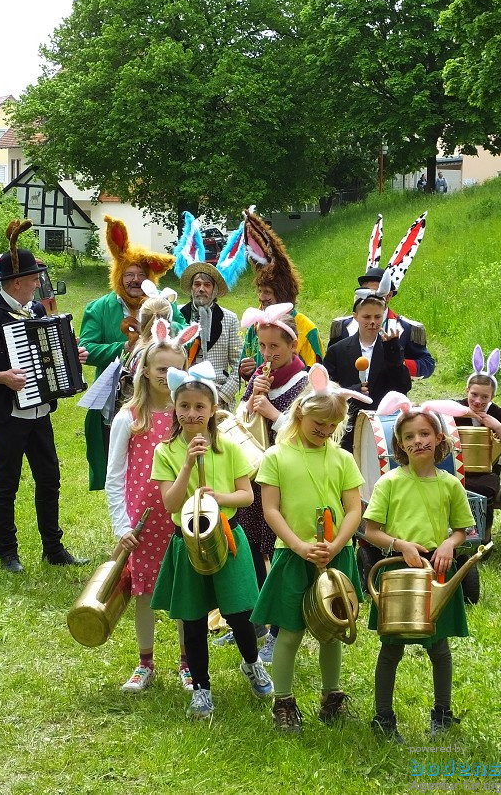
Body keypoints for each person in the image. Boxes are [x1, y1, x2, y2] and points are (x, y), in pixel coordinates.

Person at [0, 220, 89, 573]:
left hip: (39, 411)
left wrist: (71, 355)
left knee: (49, 478)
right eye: (33, 279)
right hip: (7, 414)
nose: (37, 283)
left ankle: (53, 547)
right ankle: (7, 552)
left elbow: (47, 354)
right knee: (6, 482)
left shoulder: (37, 311)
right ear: (16, 283)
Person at [150, 362, 274, 719]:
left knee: (239, 611)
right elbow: (171, 503)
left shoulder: (229, 448)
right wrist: (187, 465)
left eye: (200, 407)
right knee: (192, 618)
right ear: (175, 408)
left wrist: (219, 497)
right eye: (184, 406)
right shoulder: (167, 452)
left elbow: (247, 497)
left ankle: (252, 663)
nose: (192, 413)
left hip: (227, 536)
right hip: (186, 541)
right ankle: (202, 688)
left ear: (212, 410)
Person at [252, 364, 369, 732]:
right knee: (289, 631)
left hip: (335, 557)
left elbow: (354, 509)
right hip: (294, 556)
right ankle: (283, 702)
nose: (325, 431)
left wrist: (335, 545)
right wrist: (300, 546)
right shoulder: (276, 456)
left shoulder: (342, 458)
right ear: (300, 412)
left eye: (332, 427)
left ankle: (331, 697)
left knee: (332, 629)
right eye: (319, 423)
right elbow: (270, 509)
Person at [362, 393, 475, 743]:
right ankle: (383, 717)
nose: (418, 441)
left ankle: (442, 712)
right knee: (392, 648)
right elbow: (371, 530)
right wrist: (400, 545)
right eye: (409, 437)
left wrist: (448, 543)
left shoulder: (450, 485)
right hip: (397, 571)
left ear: (438, 438)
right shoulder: (389, 483)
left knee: (439, 648)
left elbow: (463, 530)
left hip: (436, 572)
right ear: (400, 444)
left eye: (424, 433)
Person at [105, 321, 199, 693]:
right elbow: (115, 477)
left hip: (181, 519)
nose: (167, 376)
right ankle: (145, 663)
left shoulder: (187, 418)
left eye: (176, 369)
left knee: (183, 590)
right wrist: (121, 525)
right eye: (161, 368)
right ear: (144, 369)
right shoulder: (129, 418)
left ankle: (187, 663)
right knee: (143, 591)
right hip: (142, 523)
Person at [215, 304, 309, 659]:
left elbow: (308, 433)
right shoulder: (259, 377)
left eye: (275, 347)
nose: (267, 354)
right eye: (263, 347)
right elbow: (242, 419)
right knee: (252, 549)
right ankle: (252, 623)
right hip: (255, 476)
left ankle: (278, 631)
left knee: (278, 554)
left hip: (285, 480)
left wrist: (273, 412)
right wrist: (251, 404)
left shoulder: (304, 380)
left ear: (293, 346)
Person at [79, 216, 180, 491]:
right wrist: (124, 347)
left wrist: (159, 330)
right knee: (117, 461)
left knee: (157, 458)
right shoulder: (98, 308)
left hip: (160, 397)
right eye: (129, 275)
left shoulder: (163, 304)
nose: (135, 280)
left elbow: (182, 331)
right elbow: (86, 348)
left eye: (141, 275)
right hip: (115, 400)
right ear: (118, 276)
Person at [236, 214, 324, 381]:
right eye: (260, 291)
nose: (261, 298)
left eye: (267, 292)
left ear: (282, 293)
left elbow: (316, 375)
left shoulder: (306, 329)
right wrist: (246, 371)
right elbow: (246, 365)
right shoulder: (256, 325)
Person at [322, 290, 411, 452]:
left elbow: (403, 387)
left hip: (382, 424)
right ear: (355, 316)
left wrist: (393, 354)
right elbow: (325, 389)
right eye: (366, 317)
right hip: (347, 423)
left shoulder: (391, 347)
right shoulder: (338, 350)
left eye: (377, 317)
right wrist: (351, 391)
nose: (372, 322)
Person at [451, 346, 501, 545]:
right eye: (473, 394)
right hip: (455, 469)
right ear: (467, 390)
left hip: (486, 473)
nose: (477, 401)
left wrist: (498, 427)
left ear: (492, 397)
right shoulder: (454, 409)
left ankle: (483, 538)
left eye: (485, 397)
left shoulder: (498, 415)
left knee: (483, 488)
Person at [329, 266, 435, 380]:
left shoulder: (407, 328)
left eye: (375, 292)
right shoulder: (343, 326)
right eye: (365, 292)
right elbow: (330, 365)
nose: (370, 297)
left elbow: (427, 365)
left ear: (388, 296)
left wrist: (398, 364)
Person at [178, 264, 243, 411]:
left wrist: (222, 396)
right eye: (197, 284)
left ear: (214, 290)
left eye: (207, 285)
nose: (201, 289)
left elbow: (239, 364)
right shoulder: (178, 314)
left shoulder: (229, 318)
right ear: (191, 288)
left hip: (217, 392)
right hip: (182, 393)